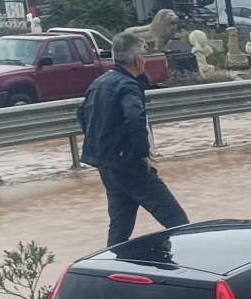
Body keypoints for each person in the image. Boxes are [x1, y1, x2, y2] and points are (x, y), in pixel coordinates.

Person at [77, 32, 189, 247]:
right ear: (138, 59)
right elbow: (135, 119)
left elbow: (82, 113)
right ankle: (180, 264)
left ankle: (111, 263)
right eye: (144, 55)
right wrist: (141, 154)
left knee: (120, 228)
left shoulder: (99, 82)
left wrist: (101, 143)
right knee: (178, 222)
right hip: (129, 165)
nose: (145, 60)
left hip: (106, 164)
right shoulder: (128, 85)